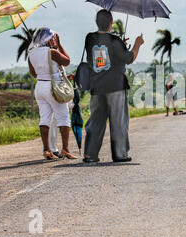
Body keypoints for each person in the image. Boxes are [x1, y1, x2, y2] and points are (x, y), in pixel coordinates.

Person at [83, 9, 144, 163]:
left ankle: (90, 154)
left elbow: (104, 52)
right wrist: (137, 44)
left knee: (96, 121)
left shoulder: (89, 38)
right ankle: (120, 153)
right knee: (118, 121)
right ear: (111, 24)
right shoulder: (115, 41)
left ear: (97, 22)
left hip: (96, 87)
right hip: (116, 87)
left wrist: (119, 45)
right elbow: (129, 58)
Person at [28, 28, 77, 160]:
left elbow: (33, 74)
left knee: (44, 118)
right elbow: (67, 61)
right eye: (53, 37)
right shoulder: (52, 52)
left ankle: (46, 150)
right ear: (48, 39)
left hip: (40, 87)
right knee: (63, 117)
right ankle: (65, 149)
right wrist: (59, 45)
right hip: (53, 87)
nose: (54, 39)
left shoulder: (31, 54)